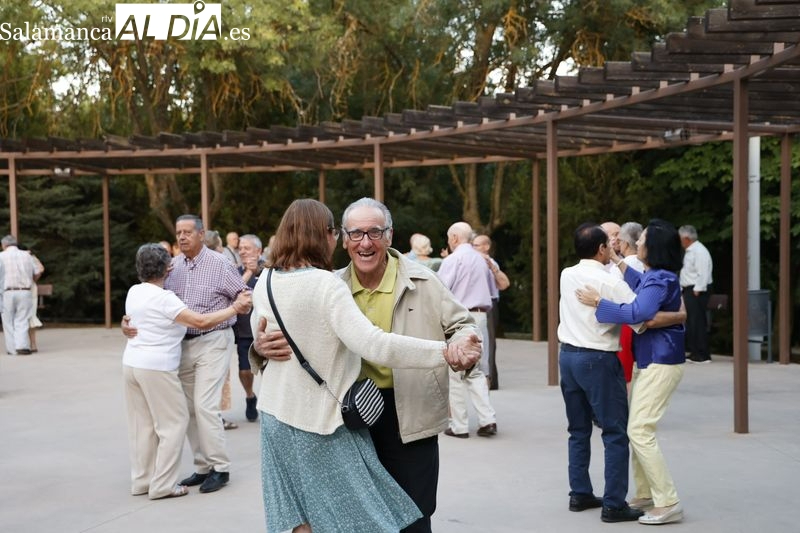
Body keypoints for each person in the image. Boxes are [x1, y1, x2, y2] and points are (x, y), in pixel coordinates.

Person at [249, 199, 479, 533]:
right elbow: (372, 343)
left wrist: (463, 345)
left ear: (390, 236)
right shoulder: (332, 284)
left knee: (412, 512)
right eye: (355, 233)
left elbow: (462, 324)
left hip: (407, 410)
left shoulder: (425, 281)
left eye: (374, 232)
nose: (365, 242)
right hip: (348, 415)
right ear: (337, 238)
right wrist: (258, 349)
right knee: (354, 518)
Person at [125, 215, 252, 494]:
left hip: (214, 339)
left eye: (187, 232)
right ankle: (203, 467)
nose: (182, 237)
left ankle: (220, 468)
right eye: (178, 233)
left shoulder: (220, 264)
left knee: (206, 405)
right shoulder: (173, 267)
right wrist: (128, 322)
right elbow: (152, 302)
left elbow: (243, 296)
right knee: (189, 409)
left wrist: (245, 312)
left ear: (201, 234)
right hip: (182, 344)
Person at [576, 219, 687, 525]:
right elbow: (638, 285)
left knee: (639, 430)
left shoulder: (661, 279)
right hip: (651, 360)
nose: (637, 244)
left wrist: (600, 302)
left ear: (655, 247)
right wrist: (616, 260)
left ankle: (668, 500)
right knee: (636, 429)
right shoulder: (656, 276)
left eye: (643, 240)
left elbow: (639, 313)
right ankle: (646, 493)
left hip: (661, 362)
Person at [556, 222, 643, 523]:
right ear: (601, 249)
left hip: (567, 356)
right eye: (609, 243)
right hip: (598, 357)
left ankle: (579, 493)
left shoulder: (567, 274)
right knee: (615, 432)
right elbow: (639, 316)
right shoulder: (610, 281)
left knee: (578, 429)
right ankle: (614, 503)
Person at [438, 222, 498, 438]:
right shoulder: (483, 261)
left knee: (455, 372)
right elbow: (493, 292)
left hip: (458, 319)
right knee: (477, 371)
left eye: (448, 238)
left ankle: (459, 425)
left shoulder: (453, 260)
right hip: (480, 316)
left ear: (454, 238)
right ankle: (487, 419)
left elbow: (440, 292)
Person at [472, 233, 510, 390]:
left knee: (489, 343)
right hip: (474, 304)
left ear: (486, 247)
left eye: (476, 245)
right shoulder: (471, 260)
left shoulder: (489, 262)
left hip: (488, 304)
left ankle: (490, 380)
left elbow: (504, 284)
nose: (472, 249)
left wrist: (492, 268)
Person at [234, 233, 265, 422]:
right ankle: (249, 396)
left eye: (247, 248)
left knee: (269, 372)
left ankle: (269, 405)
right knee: (245, 371)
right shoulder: (235, 272)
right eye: (240, 248)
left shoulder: (270, 270)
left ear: (259, 251)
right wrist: (247, 273)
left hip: (266, 331)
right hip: (244, 332)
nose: (242, 251)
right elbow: (232, 294)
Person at [678, 224, 713, 363]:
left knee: (697, 321)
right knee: (692, 321)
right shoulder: (691, 251)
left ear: (686, 238)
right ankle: (694, 352)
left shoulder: (699, 251)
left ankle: (702, 353)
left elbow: (703, 271)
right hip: (690, 289)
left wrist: (698, 289)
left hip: (696, 290)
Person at [616, 222, 645, 385]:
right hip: (644, 318)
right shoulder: (646, 263)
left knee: (625, 370)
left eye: (618, 240)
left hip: (626, 321)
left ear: (626, 244)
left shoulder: (621, 266)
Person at [0, 235, 38, 355]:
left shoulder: (1, 256)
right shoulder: (27, 255)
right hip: (25, 291)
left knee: (8, 321)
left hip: (7, 292)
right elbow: (37, 271)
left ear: (4, 245)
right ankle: (22, 346)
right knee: (22, 319)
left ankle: (12, 349)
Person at [17, 244, 44, 353]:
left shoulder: (22, 257)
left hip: (19, 288)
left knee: (23, 316)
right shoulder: (31, 257)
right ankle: (33, 344)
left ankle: (24, 343)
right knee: (31, 316)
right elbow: (41, 269)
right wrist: (33, 279)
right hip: (30, 288)